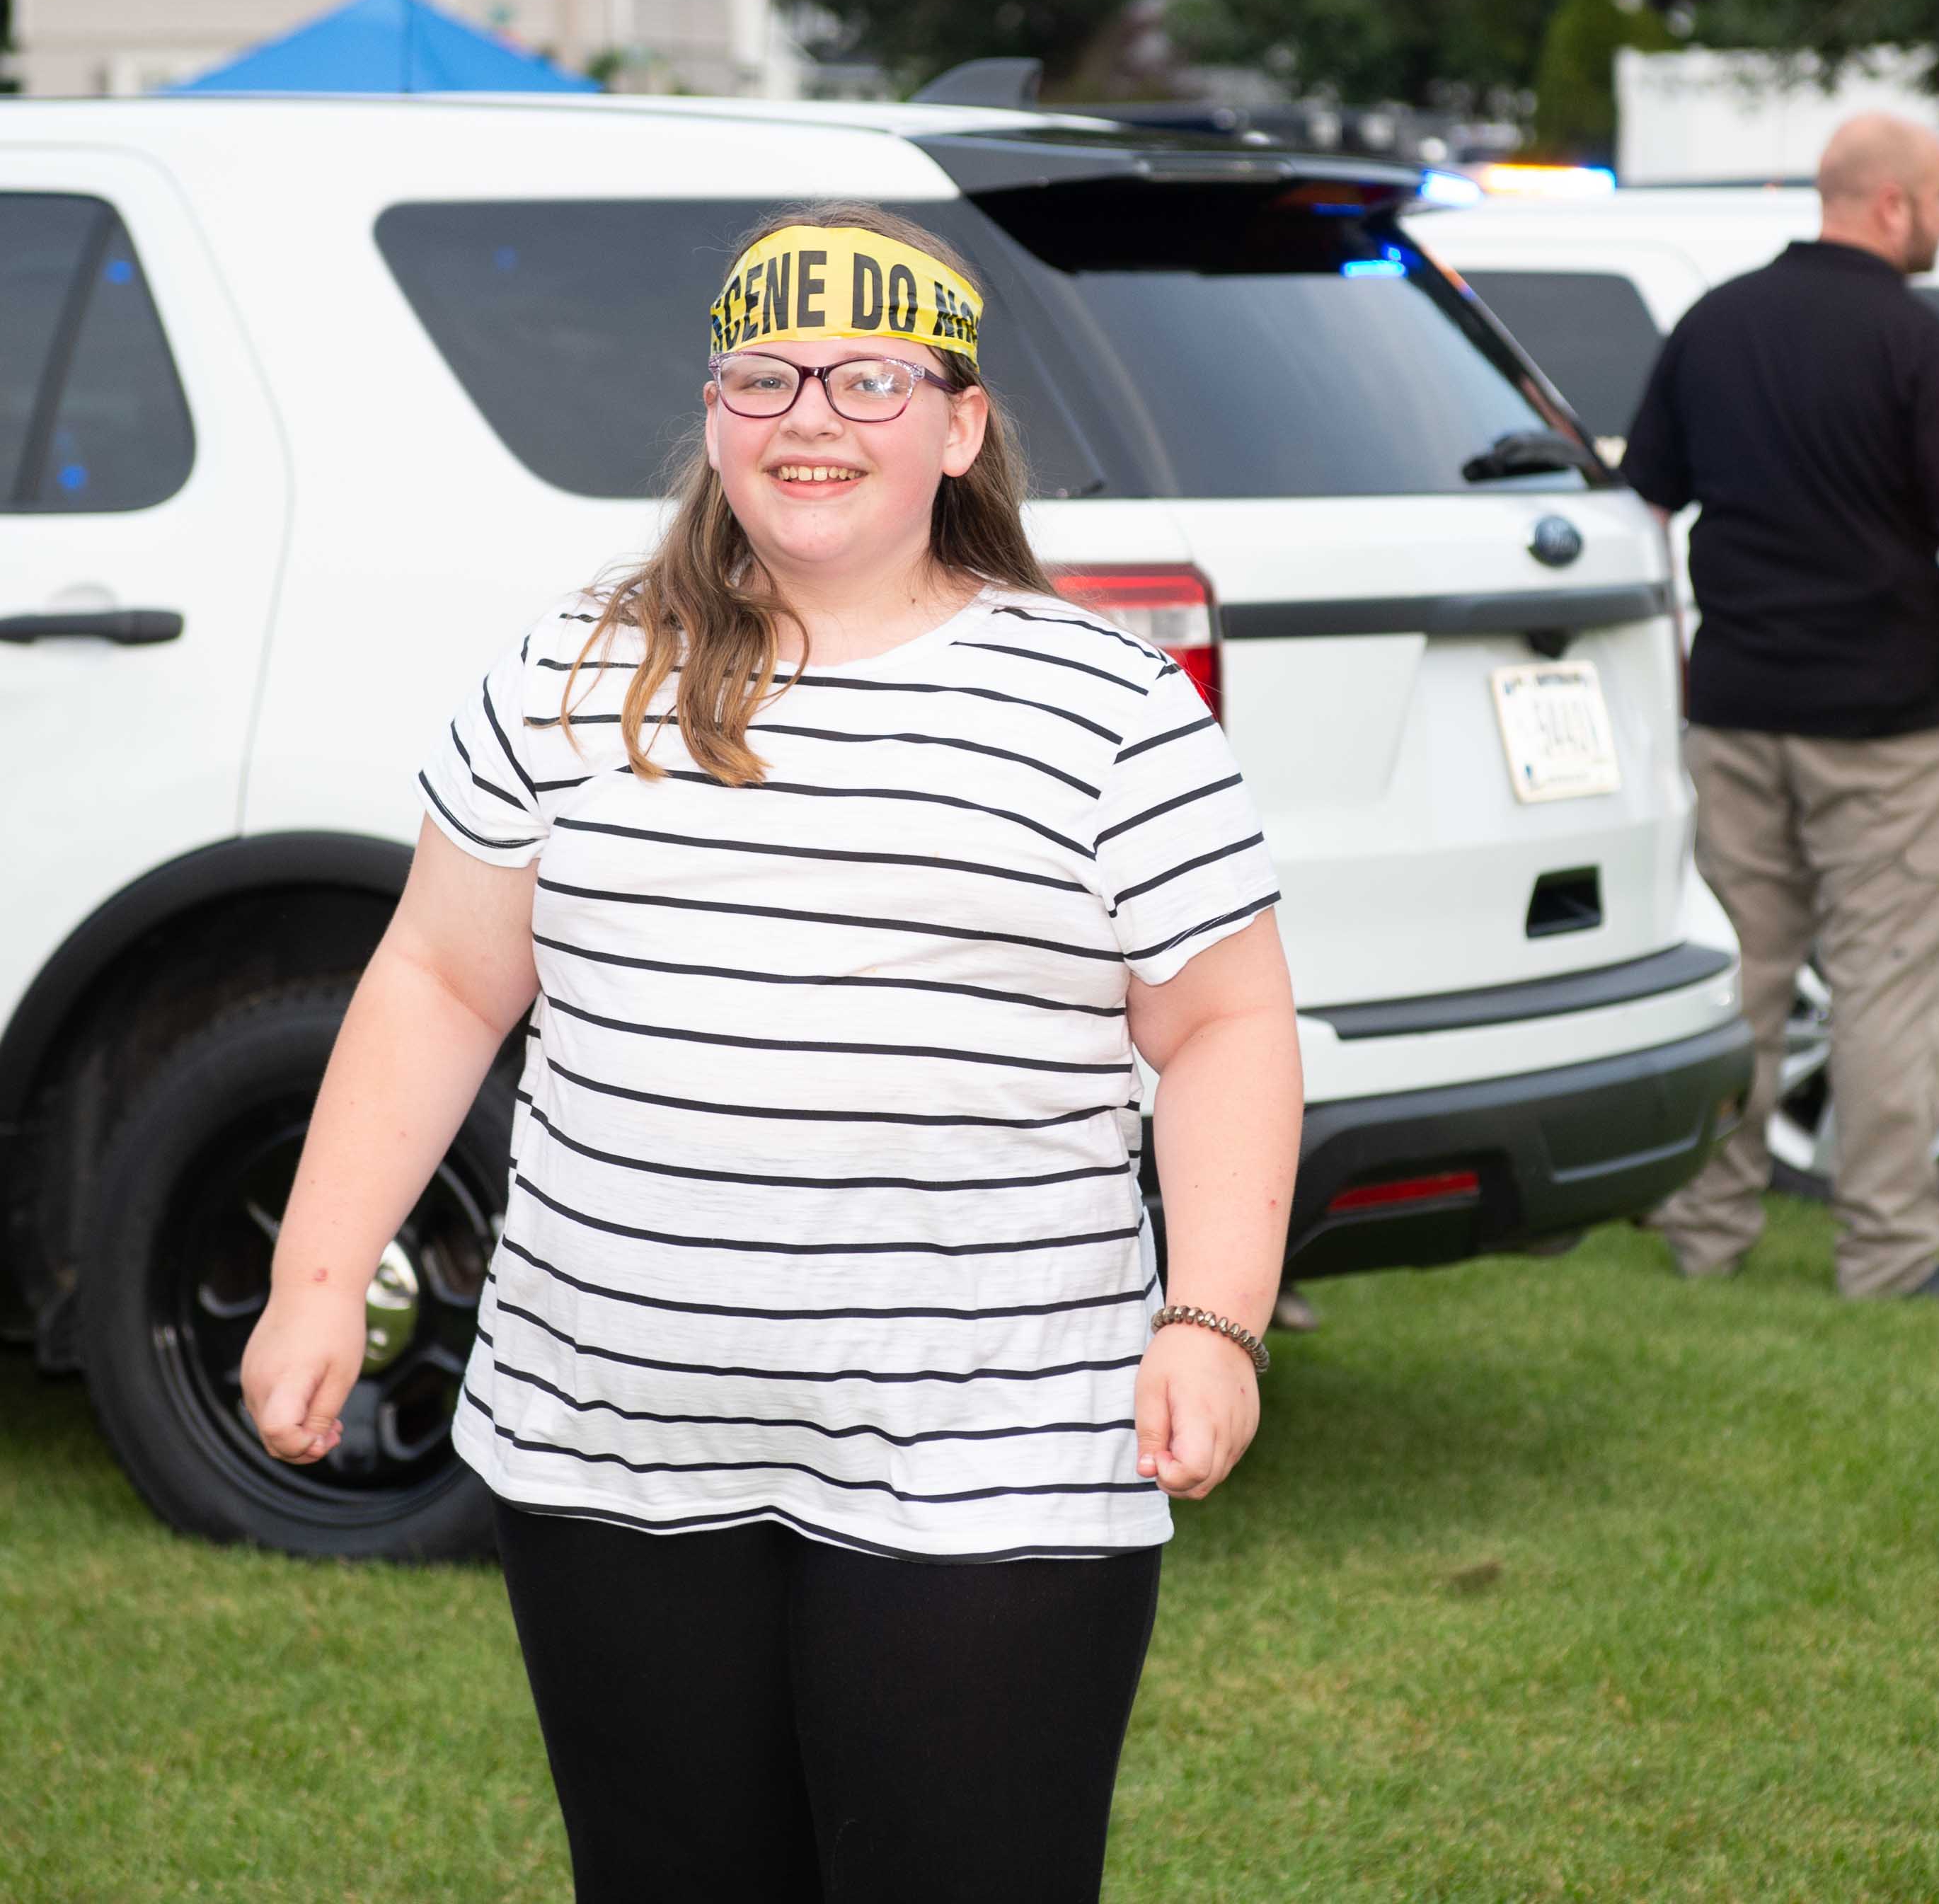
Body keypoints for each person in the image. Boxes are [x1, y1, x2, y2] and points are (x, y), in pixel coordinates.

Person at [238, 202, 1304, 1901]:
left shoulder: (1106, 706)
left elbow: (1228, 1021)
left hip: (989, 1461)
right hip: (608, 1440)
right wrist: (317, 1274)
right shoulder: (575, 669)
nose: (812, 417)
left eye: (871, 378)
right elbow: (438, 979)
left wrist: (1214, 1315)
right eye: (766, 376)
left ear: (960, 426)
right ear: (716, 415)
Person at [1621, 114, 1939, 1301]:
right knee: (1889, 980)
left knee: (1742, 972)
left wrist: (1678, 655)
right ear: (1890, 204)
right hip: (1888, 725)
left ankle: (1705, 1230)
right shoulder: (1918, 343)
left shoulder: (1714, 323)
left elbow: (1643, 509)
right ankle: (1887, 1256)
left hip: (1735, 708)